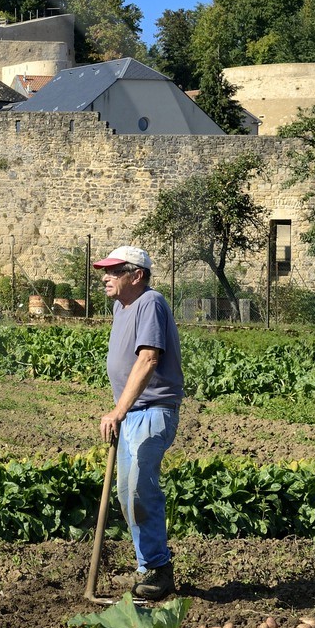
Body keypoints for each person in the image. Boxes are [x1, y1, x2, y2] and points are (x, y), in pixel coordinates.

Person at [94, 244, 184, 601]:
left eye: (114, 271)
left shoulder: (150, 302)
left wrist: (118, 410)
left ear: (137, 275)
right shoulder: (122, 306)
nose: (105, 277)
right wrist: (121, 410)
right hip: (131, 413)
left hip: (153, 410)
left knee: (138, 490)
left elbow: (148, 359)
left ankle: (158, 570)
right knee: (126, 493)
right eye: (106, 270)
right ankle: (149, 568)